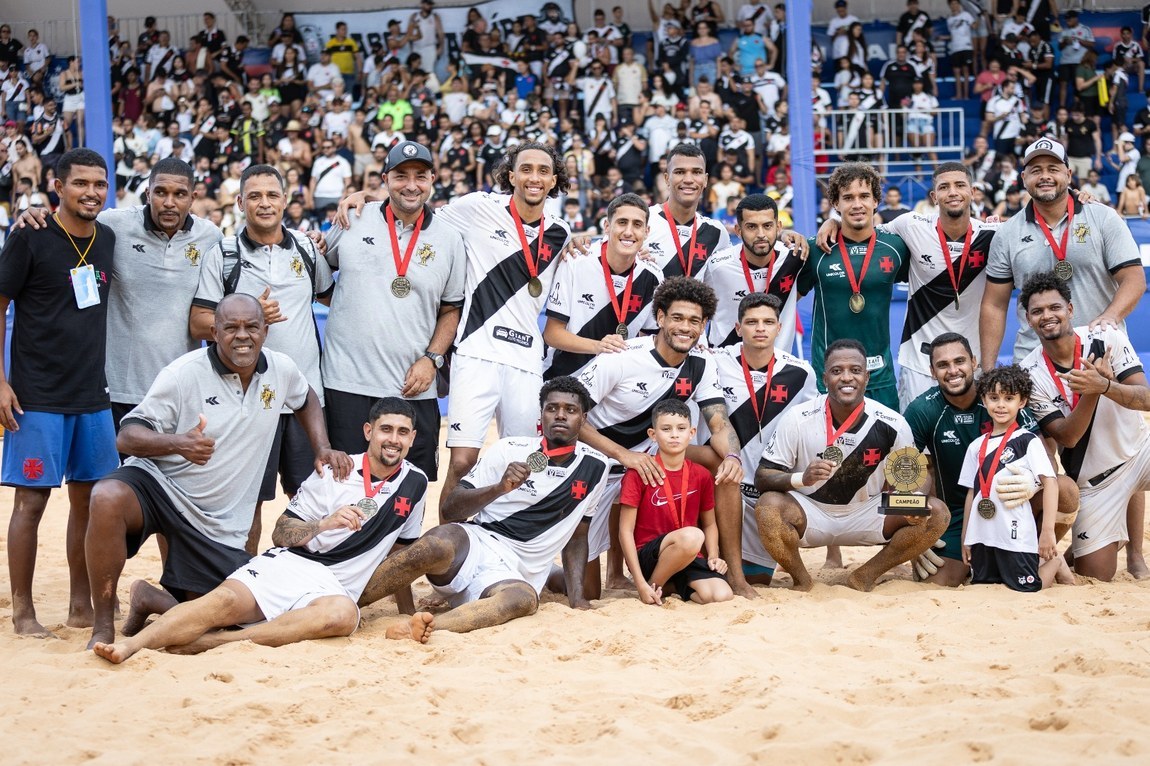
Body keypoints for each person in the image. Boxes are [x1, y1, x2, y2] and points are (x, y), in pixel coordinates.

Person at [84, 293, 353, 649]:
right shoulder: (183, 374)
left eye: (251, 327)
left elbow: (306, 399)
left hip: (216, 525)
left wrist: (321, 446)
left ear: (265, 331)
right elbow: (127, 436)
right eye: (231, 328)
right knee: (107, 496)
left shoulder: (281, 369)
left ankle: (149, 598)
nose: (242, 335)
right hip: (161, 487)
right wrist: (179, 443)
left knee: (228, 616)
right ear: (214, 332)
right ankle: (102, 626)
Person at [91, 397, 432, 663]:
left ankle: (215, 642)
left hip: (335, 588)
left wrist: (407, 613)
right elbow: (280, 533)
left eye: (403, 432)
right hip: (293, 564)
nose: (394, 440)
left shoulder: (416, 483)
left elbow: (401, 552)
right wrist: (324, 523)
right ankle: (130, 646)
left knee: (343, 617)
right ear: (369, 431)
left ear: (413, 438)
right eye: (386, 429)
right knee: (221, 603)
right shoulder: (335, 471)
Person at [337, 142, 573, 515]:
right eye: (526, 169)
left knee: (524, 461)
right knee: (463, 461)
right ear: (511, 175)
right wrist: (367, 198)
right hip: (476, 351)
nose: (534, 177)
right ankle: (443, 540)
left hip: (526, 360)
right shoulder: (477, 207)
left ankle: (504, 536)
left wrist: (587, 243)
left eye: (544, 171)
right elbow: (416, 208)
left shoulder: (562, 233)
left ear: (554, 180)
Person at [979, 139, 1147, 580]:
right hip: (1035, 359)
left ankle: (1134, 551)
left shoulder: (1102, 217)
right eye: (1035, 169)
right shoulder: (1009, 232)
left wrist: (1107, 321)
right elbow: (995, 304)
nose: (1045, 176)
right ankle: (1045, 546)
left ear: (1069, 174)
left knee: (1121, 442)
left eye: (1053, 167)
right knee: (1042, 456)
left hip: (1100, 353)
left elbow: (1134, 279)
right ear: (1023, 179)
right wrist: (990, 367)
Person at [355, 377, 609, 636]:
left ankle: (426, 627)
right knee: (435, 543)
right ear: (541, 414)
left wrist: (577, 599)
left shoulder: (597, 466)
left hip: (514, 573)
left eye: (570, 410)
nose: (560, 415)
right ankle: (349, 601)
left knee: (522, 600)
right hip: (474, 546)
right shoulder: (509, 449)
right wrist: (498, 488)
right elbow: (451, 509)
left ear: (583, 418)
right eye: (552, 408)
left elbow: (578, 536)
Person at [0, 149, 118, 637]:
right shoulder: (30, 235)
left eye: (99, 184)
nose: (91, 192)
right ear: (58, 187)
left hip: (92, 395)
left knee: (89, 505)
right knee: (30, 505)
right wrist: (0, 381)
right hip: (37, 397)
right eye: (80, 183)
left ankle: (79, 607)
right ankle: (23, 613)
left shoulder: (108, 238)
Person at [190, 164, 335, 554]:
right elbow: (199, 321)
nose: (265, 203)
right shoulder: (223, 254)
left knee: (310, 500)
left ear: (285, 200)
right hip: (246, 400)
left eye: (272, 195)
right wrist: (248, 316)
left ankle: (308, 579)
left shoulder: (306, 248)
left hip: (304, 397)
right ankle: (241, 577)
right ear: (240, 202)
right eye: (254, 196)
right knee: (245, 503)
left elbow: (333, 296)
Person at [14, 158, 222, 428]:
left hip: (180, 389)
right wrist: (36, 214)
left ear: (193, 198)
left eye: (180, 194)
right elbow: (70, 221)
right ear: (147, 193)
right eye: (160, 192)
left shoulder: (211, 237)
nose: (169, 202)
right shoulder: (114, 224)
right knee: (114, 458)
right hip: (116, 391)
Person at [575, 277, 742, 599]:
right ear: (661, 317)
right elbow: (572, 418)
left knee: (724, 465)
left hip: (654, 454)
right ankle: (580, 572)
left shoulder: (702, 363)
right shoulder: (622, 356)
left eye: (694, 321)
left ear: (704, 325)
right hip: (601, 460)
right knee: (588, 593)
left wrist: (734, 457)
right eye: (677, 318)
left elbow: (719, 424)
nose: (685, 327)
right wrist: (623, 455)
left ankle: (732, 571)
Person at [753, 339, 950, 591]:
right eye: (837, 371)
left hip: (870, 510)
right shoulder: (798, 418)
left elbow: (917, 477)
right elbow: (763, 477)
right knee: (768, 507)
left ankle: (864, 576)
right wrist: (803, 477)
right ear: (825, 378)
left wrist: (913, 501)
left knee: (936, 512)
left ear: (866, 377)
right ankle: (802, 580)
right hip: (810, 511)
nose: (847, 377)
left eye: (855, 370)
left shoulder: (893, 422)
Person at [321, 142, 464, 482]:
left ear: (432, 180)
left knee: (411, 490)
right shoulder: (353, 218)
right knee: (344, 485)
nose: (411, 185)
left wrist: (432, 359)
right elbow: (321, 281)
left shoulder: (449, 238)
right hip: (346, 383)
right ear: (385, 179)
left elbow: (451, 309)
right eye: (401, 176)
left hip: (412, 386)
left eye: (420, 176)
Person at [904, 332, 1079, 587]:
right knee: (937, 582)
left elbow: (1049, 464)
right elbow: (905, 475)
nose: (953, 371)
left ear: (974, 362)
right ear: (932, 372)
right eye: (942, 365)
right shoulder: (922, 409)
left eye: (959, 361)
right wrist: (913, 536)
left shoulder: (1002, 397)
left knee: (1065, 489)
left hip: (1013, 504)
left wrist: (1032, 484)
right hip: (959, 514)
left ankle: (1042, 553)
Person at [818, 163, 997, 409]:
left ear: (973, 192)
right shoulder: (910, 224)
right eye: (944, 187)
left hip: (972, 360)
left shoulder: (994, 234)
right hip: (919, 362)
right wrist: (834, 222)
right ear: (934, 196)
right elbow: (862, 231)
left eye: (959, 185)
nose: (952, 192)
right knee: (915, 432)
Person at [1018, 272, 1150, 583]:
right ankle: (1092, 545)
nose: (1047, 316)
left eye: (1055, 307)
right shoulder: (1030, 372)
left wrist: (1107, 386)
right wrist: (1093, 391)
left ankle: (1125, 546)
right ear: (1028, 320)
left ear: (1070, 309)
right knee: (1096, 573)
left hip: (1140, 452)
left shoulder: (1106, 338)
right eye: (1037, 311)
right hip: (1097, 482)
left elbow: (1146, 399)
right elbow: (1068, 436)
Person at [710, 293, 817, 597]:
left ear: (779, 328)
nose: (760, 328)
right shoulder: (714, 362)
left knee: (758, 581)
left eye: (768, 322)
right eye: (752, 322)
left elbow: (809, 430)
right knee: (717, 577)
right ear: (737, 327)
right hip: (725, 482)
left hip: (768, 489)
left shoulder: (801, 372)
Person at [800, 162, 909, 411]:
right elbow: (785, 299)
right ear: (835, 204)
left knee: (887, 437)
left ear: (876, 201)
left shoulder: (896, 247)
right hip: (829, 376)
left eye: (864, 196)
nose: (857, 204)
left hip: (880, 375)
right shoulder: (817, 250)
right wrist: (786, 234)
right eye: (848, 198)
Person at [958, 364, 1073, 591]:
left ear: (1022, 402)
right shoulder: (976, 446)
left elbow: (1050, 483)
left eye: (1009, 398)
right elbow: (972, 492)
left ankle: (1055, 562)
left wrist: (1048, 531)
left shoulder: (1028, 440)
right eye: (994, 398)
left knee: (1028, 588)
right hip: (982, 535)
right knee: (984, 584)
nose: (1001, 405)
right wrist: (966, 537)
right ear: (984, 400)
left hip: (1015, 533)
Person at [619, 400, 733, 605]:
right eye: (666, 429)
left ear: (691, 433)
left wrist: (713, 556)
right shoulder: (639, 473)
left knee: (720, 595)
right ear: (653, 434)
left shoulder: (701, 475)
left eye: (681, 428)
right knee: (692, 536)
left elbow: (709, 524)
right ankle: (652, 586)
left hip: (688, 554)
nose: (674, 435)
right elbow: (625, 531)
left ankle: (670, 586)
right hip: (649, 556)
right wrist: (640, 582)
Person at [543, 193, 661, 380]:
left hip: (614, 382)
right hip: (563, 378)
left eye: (637, 225)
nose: (629, 231)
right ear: (607, 226)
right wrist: (598, 347)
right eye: (622, 222)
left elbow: (650, 340)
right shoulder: (575, 260)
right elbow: (552, 334)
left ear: (646, 232)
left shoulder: (653, 276)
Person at [702, 193, 803, 354]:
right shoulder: (717, 266)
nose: (760, 234)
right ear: (738, 230)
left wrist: (832, 222)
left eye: (767, 226)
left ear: (778, 227)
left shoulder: (795, 258)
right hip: (725, 362)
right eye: (751, 227)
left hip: (777, 363)